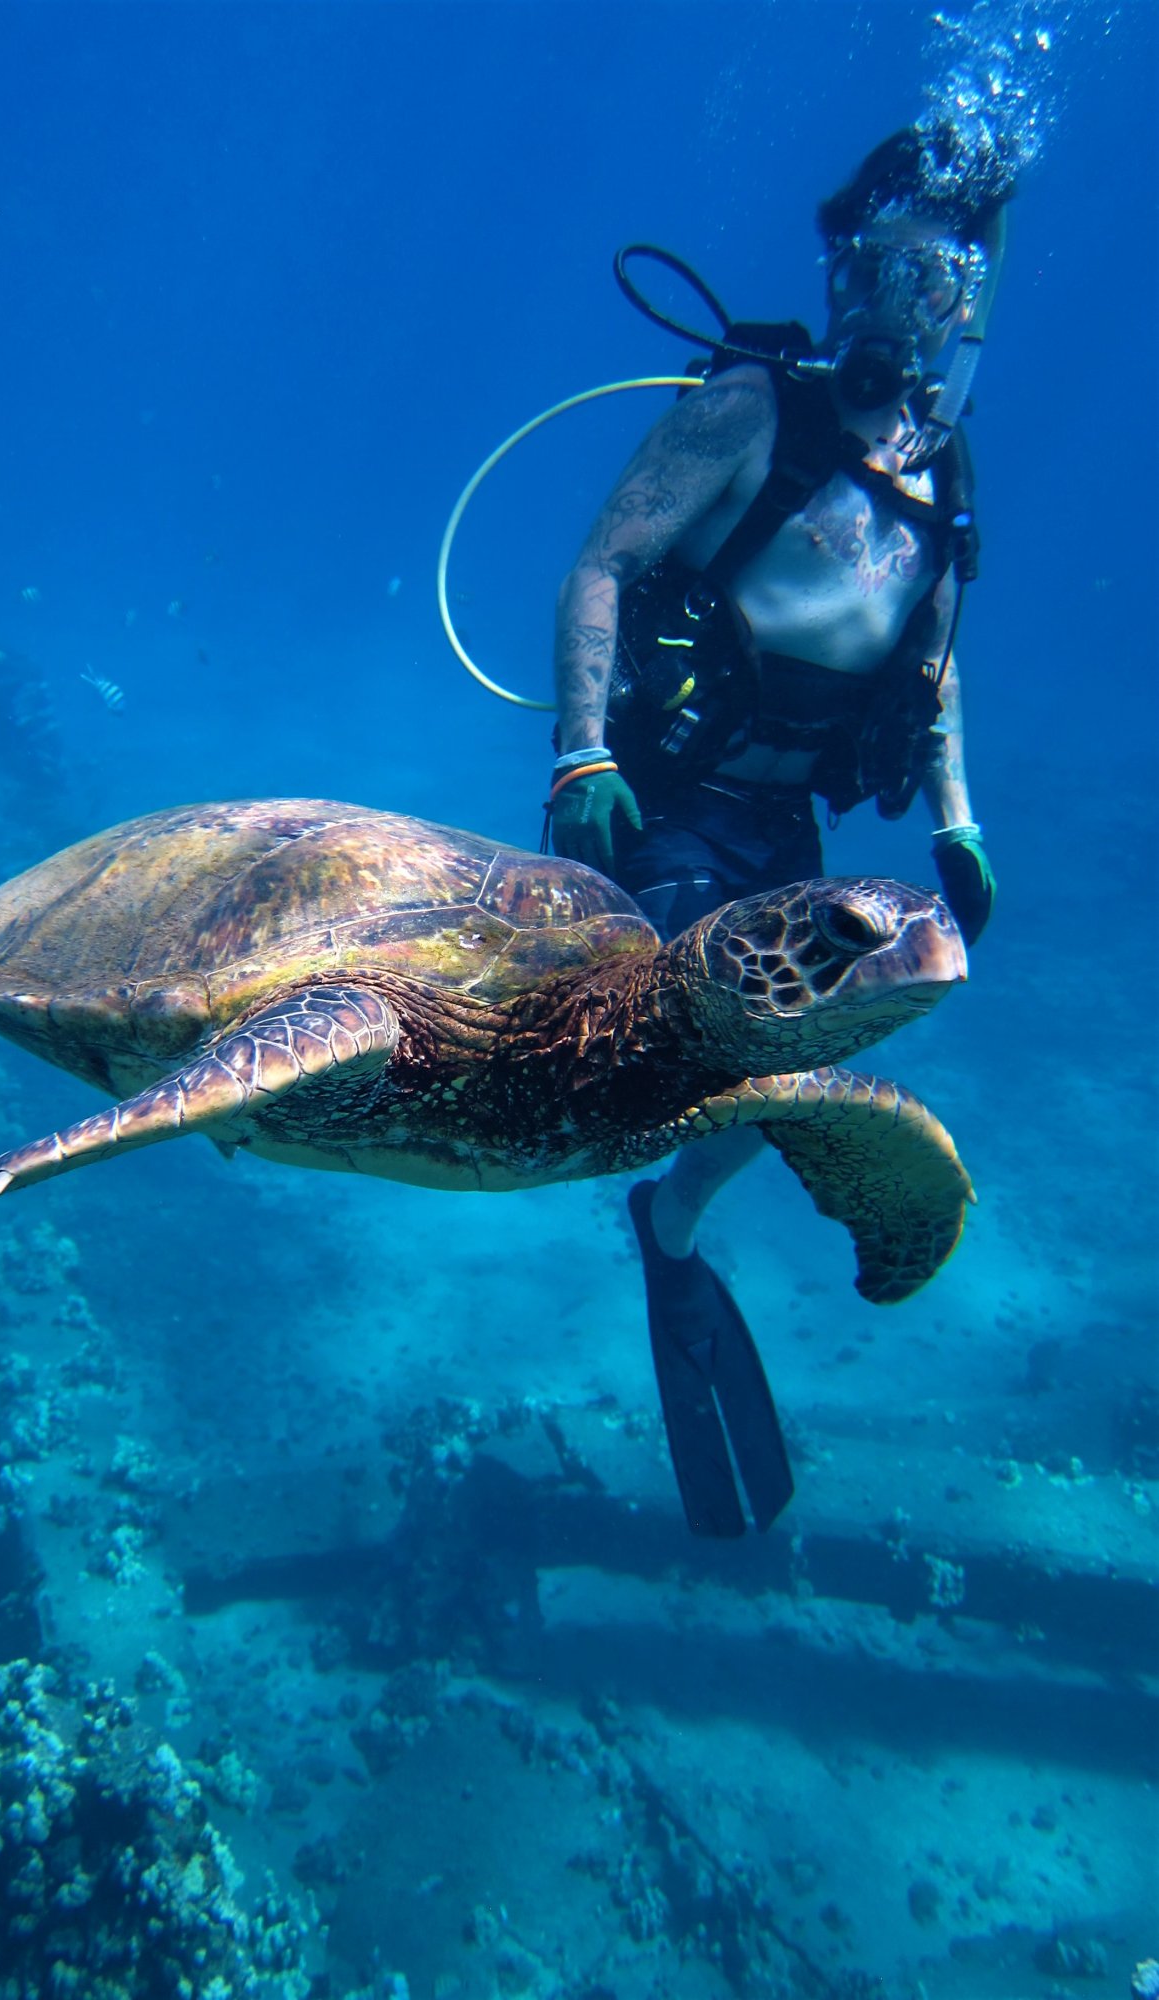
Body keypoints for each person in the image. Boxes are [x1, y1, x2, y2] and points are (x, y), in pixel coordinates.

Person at [548, 125, 1009, 1533]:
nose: (910, 309)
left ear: (972, 306)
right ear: (847, 274)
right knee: (693, 1042)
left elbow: (933, 678)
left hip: (782, 817)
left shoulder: (950, 475)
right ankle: (612, 1165)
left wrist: (959, 827)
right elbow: (605, 563)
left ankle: (672, 1222)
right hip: (663, 789)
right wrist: (580, 752)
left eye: (944, 285)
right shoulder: (753, 410)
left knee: (821, 1022)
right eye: (889, 273)